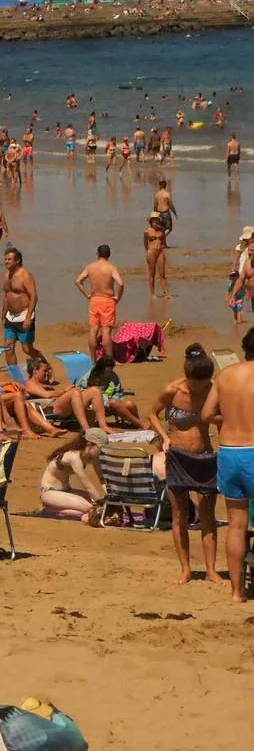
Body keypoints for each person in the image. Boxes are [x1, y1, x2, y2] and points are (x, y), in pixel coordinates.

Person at [151, 344, 218, 585]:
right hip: (177, 457)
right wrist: (165, 437)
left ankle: (211, 570)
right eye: (196, 382)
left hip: (205, 456)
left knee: (207, 515)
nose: (201, 386)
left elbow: (221, 417)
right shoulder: (173, 390)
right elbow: (151, 414)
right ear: (188, 375)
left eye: (205, 381)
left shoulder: (213, 390)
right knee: (180, 515)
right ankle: (186, 569)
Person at [201, 326, 254, 602]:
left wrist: (230, 419)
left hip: (230, 452)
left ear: (245, 350)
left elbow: (207, 413)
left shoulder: (226, 376)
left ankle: (237, 591)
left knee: (236, 524)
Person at [22, 356, 111, 431]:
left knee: (94, 391)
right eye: (44, 371)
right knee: (74, 393)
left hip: (62, 406)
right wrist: (64, 391)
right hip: (51, 409)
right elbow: (46, 395)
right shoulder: (29, 383)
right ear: (35, 371)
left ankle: (103, 426)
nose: (47, 374)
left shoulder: (44, 383)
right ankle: (86, 429)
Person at [38, 429, 108, 524]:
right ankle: (55, 510)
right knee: (92, 507)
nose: (102, 452)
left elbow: (102, 479)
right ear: (89, 444)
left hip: (66, 491)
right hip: (50, 493)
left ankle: (57, 510)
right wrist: (101, 504)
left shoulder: (92, 456)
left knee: (95, 503)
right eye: (100, 448)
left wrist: (110, 497)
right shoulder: (74, 457)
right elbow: (87, 484)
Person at [75, 245, 124, 359]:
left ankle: (93, 359)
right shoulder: (111, 267)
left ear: (97, 254)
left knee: (93, 329)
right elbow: (120, 283)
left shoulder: (91, 267)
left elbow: (78, 281)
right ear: (109, 255)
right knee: (106, 331)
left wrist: (87, 294)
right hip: (107, 299)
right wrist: (118, 297)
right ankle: (109, 359)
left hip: (94, 300)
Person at [0, 248, 40, 366]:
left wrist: (28, 318)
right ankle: (15, 376)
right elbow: (7, 296)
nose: (6, 261)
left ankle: (46, 366)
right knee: (8, 348)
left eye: (9, 259)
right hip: (10, 317)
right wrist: (3, 316)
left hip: (24, 315)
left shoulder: (25, 275)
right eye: (5, 259)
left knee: (27, 349)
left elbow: (34, 296)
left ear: (17, 261)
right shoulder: (7, 276)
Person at [143, 212, 170, 300]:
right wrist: (148, 251)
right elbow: (145, 243)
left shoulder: (161, 230)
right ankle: (153, 294)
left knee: (162, 274)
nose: (156, 222)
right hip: (151, 252)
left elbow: (165, 238)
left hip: (160, 252)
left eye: (157, 221)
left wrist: (162, 229)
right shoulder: (147, 231)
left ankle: (166, 293)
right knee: (152, 274)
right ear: (151, 221)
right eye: (154, 221)